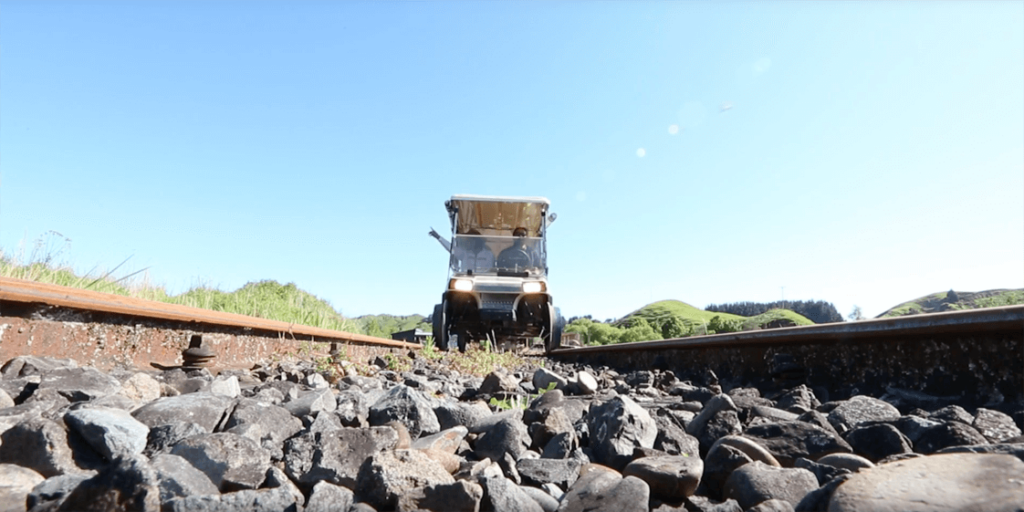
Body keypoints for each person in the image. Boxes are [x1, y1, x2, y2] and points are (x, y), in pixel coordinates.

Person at [429, 228, 494, 272]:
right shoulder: (464, 254)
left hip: (482, 284)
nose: (469, 242)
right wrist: (439, 237)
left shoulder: (489, 255)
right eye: (469, 240)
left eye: (471, 239)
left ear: (477, 240)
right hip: (466, 283)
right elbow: (451, 248)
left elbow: (491, 271)